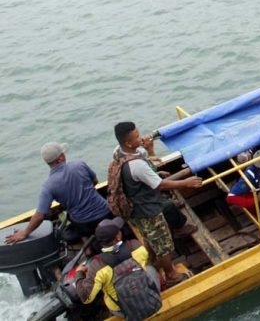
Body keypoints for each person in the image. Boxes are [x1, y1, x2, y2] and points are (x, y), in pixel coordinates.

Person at [112, 122, 201, 285]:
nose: (141, 137)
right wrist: (185, 182)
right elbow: (160, 184)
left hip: (134, 208)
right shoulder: (137, 165)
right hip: (147, 209)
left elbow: (142, 177)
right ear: (128, 143)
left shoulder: (119, 153)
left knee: (150, 237)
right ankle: (171, 274)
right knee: (163, 244)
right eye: (137, 137)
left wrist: (154, 169)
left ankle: (153, 261)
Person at [5, 142, 111, 245]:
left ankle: (86, 243)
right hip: (106, 213)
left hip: (84, 224)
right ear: (60, 158)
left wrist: (25, 233)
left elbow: (40, 215)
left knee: (69, 221)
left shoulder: (48, 186)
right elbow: (95, 181)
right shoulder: (80, 164)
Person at [75, 217, 161, 318]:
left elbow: (86, 298)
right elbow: (151, 259)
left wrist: (79, 273)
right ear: (118, 236)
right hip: (149, 297)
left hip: (123, 310)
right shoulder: (135, 246)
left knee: (105, 291)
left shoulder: (97, 265)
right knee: (150, 268)